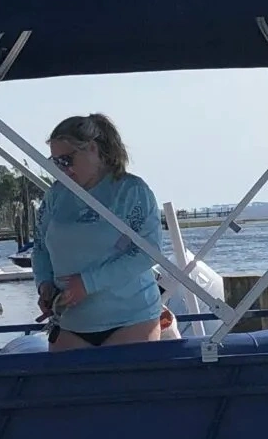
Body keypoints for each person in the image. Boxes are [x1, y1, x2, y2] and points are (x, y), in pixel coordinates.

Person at [33, 114, 172, 349]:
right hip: (71, 322)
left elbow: (147, 252)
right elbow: (40, 247)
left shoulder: (132, 192)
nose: (62, 169)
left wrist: (88, 284)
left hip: (131, 319)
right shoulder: (56, 195)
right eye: (55, 162)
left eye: (66, 160)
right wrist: (44, 284)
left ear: (92, 149)